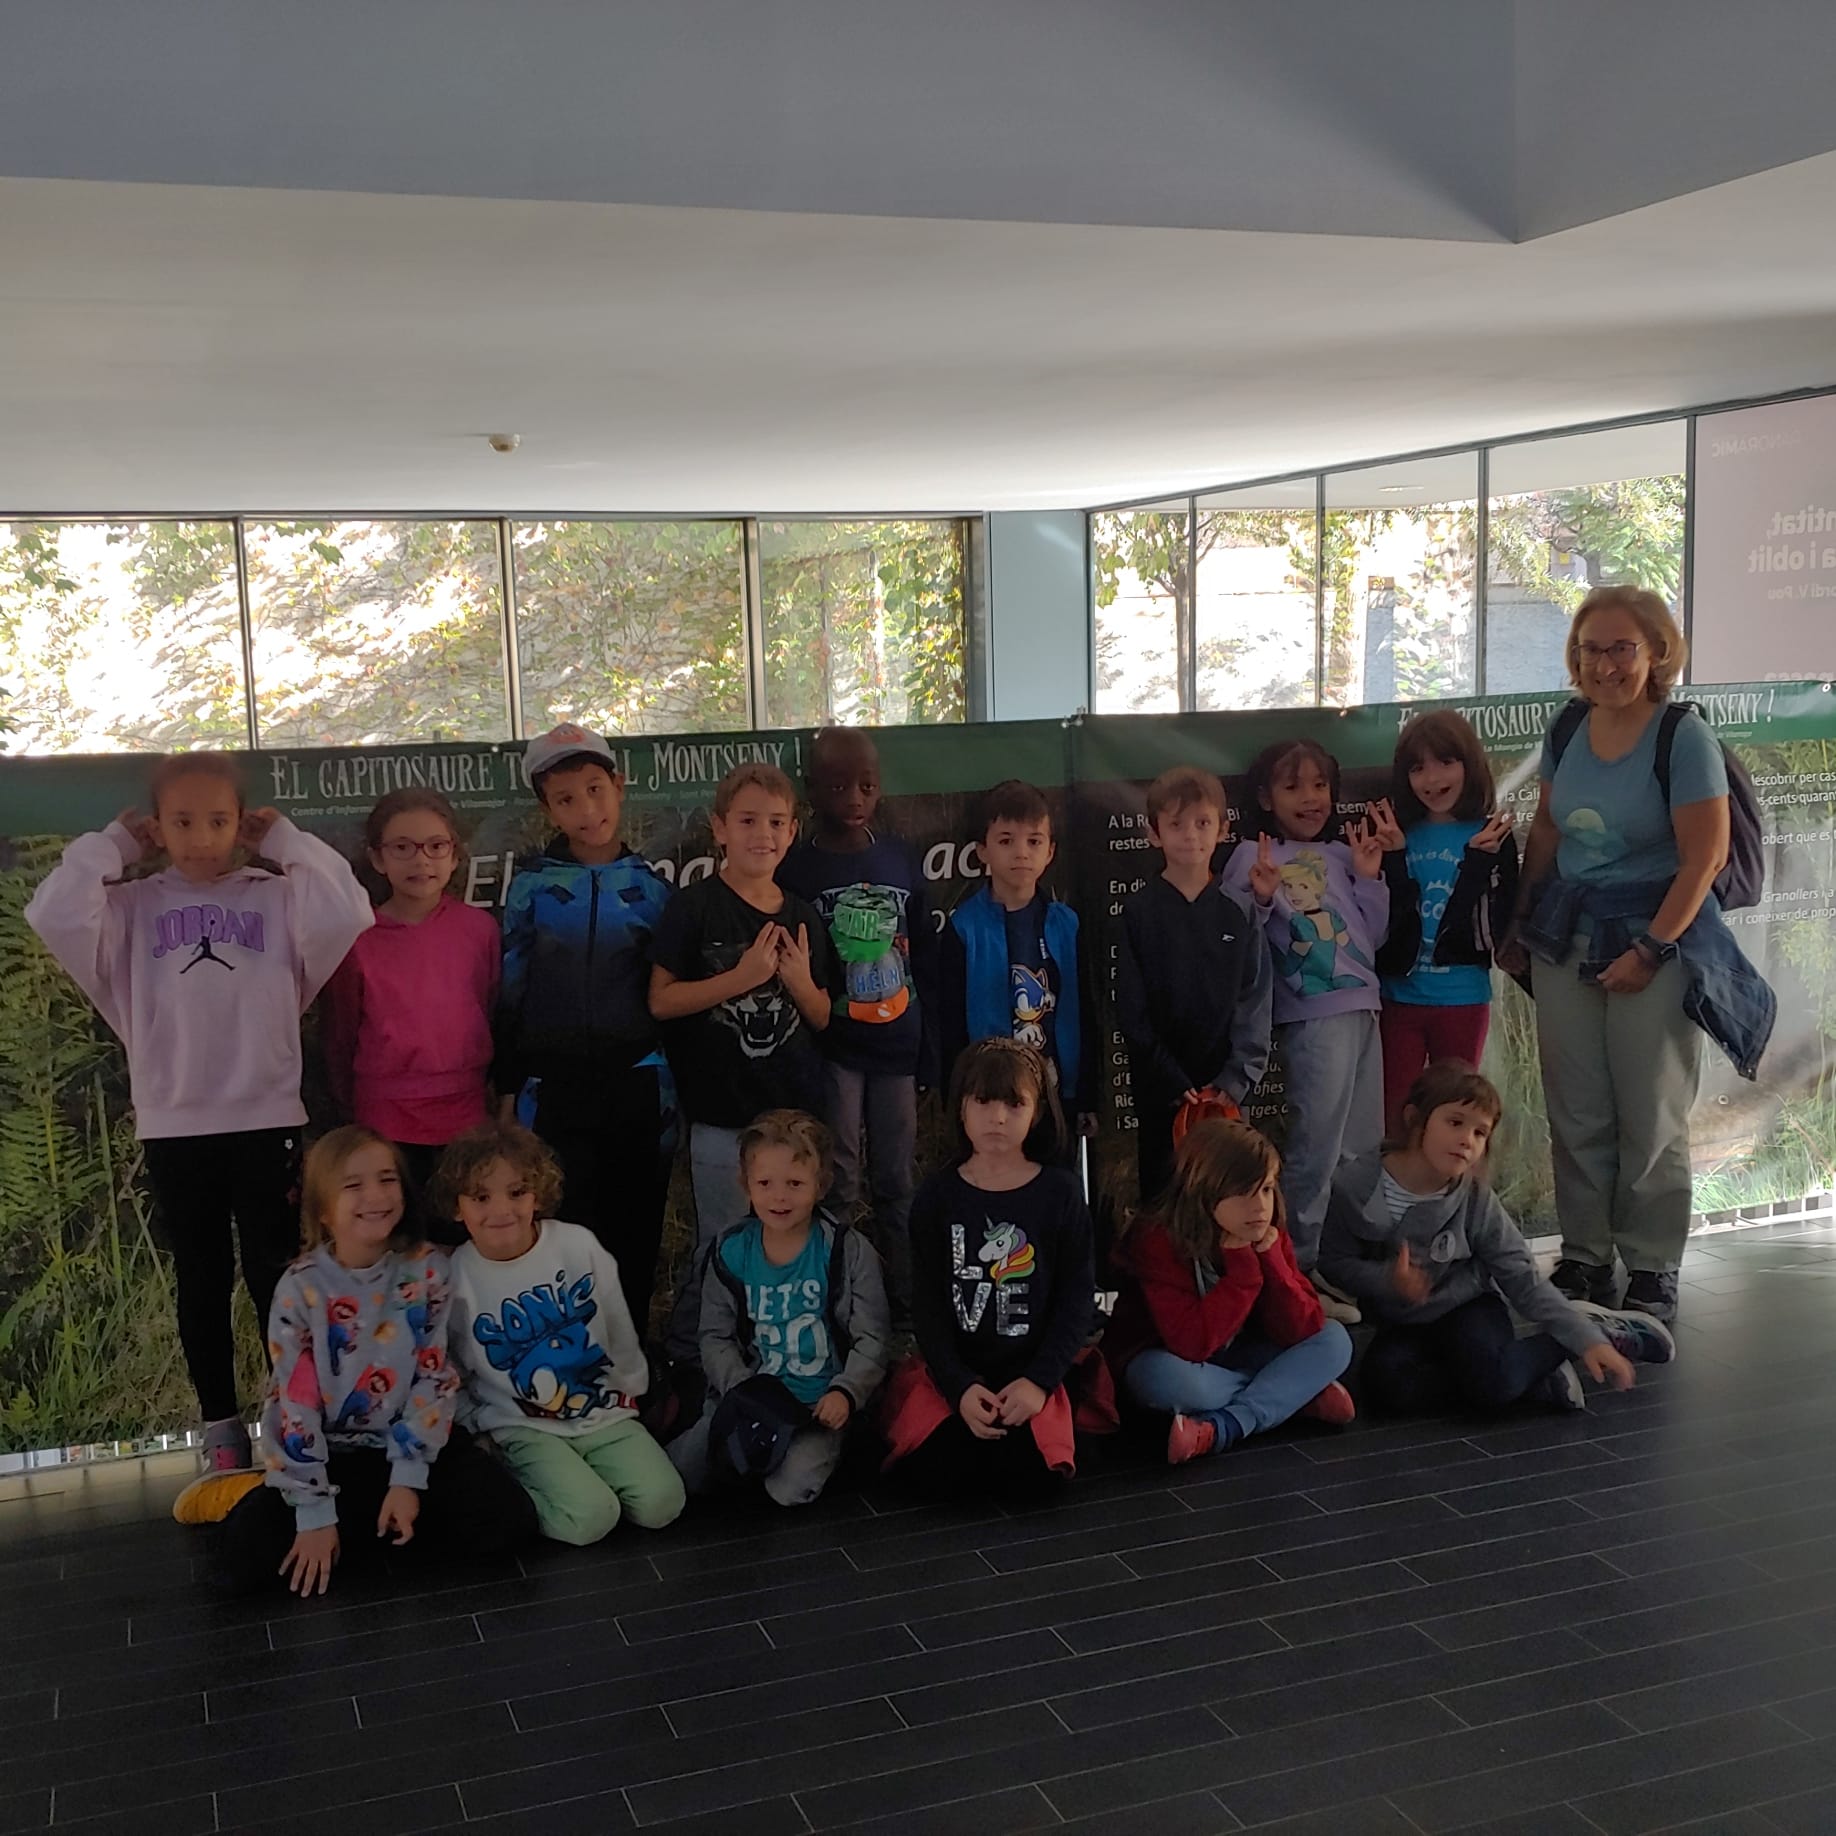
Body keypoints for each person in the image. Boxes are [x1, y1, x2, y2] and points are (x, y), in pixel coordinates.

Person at [24, 752, 372, 1478]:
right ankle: (220, 1428)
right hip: (176, 1125)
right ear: (157, 827)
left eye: (218, 820)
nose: (202, 837)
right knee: (202, 1278)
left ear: (241, 823)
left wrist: (285, 843)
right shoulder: (128, 909)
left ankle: (292, 1415)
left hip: (266, 1118)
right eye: (182, 822)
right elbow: (52, 911)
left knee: (276, 1276)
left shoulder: (278, 898)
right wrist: (112, 848)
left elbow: (347, 909)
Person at [1500, 587, 1759, 1324]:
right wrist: (1520, 917)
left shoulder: (1683, 737)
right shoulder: (1568, 725)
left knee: (1651, 1110)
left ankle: (1651, 1264)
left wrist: (1652, 948)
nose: (1605, 664)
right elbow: (1548, 829)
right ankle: (1584, 1254)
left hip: (1658, 939)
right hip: (1567, 934)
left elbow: (1704, 858)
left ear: (1656, 654)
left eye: (1622, 648)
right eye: (1591, 649)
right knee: (1575, 1107)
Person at [212, 1127, 536, 1594]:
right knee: (239, 1560)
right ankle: (357, 1530)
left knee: (509, 1518)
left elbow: (433, 1376)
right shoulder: (299, 1288)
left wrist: (407, 1480)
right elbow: (294, 1406)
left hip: (410, 1446)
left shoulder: (428, 1269)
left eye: (387, 1179)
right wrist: (314, 1512)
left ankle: (381, 1523)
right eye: (353, 1185)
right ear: (323, 1211)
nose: (375, 1196)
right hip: (333, 1457)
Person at [1318, 1063, 1675, 1417]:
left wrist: (1586, 1341)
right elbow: (1334, 1262)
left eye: (1480, 1133)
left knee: (1492, 1382)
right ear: (1416, 1120)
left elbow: (1523, 1278)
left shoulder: (1475, 1198)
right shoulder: (1354, 1186)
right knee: (1387, 1389)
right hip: (1403, 1320)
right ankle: (1533, 1376)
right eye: (1455, 1122)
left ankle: (1593, 1331)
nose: (1467, 1140)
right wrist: (1387, 1281)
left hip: (1467, 1307)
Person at [651, 762, 840, 1366]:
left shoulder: (803, 915)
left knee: (788, 1241)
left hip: (794, 1118)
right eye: (749, 820)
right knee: (722, 1243)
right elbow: (661, 1000)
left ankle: (775, 1353)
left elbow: (823, 1015)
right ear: (719, 829)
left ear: (793, 832)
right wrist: (743, 977)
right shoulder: (693, 909)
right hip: (722, 1116)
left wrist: (798, 982)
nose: (764, 834)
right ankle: (689, 1357)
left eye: (777, 822)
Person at [496, 723, 676, 1334]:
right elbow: (511, 993)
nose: (586, 809)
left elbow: (671, 994)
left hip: (638, 1086)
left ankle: (633, 1367)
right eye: (566, 799)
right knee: (562, 1234)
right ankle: (569, 1366)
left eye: (596, 790)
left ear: (619, 788)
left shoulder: (653, 890)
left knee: (635, 1235)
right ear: (548, 809)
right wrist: (509, 1089)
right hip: (555, 1092)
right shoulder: (531, 889)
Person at [437, 1121, 685, 1545]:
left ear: (538, 1193)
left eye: (516, 1192)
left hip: (600, 1410)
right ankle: (519, 1488)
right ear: (458, 1207)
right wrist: (472, 1421)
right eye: (481, 1197)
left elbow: (617, 1322)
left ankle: (580, 1478)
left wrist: (632, 1387)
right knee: (591, 1518)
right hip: (519, 1424)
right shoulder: (454, 1278)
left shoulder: (576, 1245)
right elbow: (447, 1366)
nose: (501, 1210)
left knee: (662, 1503)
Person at [882, 1040, 1096, 1502]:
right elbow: (928, 1305)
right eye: (983, 1101)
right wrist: (959, 1386)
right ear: (960, 1107)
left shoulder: (1060, 1194)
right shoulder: (937, 1197)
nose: (997, 1117)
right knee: (940, 1471)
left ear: (1037, 1112)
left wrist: (1039, 1382)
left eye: (1014, 1104)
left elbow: (1075, 1300)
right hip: (958, 1374)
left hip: (1031, 1370)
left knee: (1032, 1476)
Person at [1221, 739, 1390, 1322]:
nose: (1310, 798)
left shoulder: (1343, 853)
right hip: (1312, 1017)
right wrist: (1262, 897)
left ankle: (1340, 1262)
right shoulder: (1253, 854)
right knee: (1315, 1147)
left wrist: (1369, 878)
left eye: (1320, 785)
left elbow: (1373, 936)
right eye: (1293, 786)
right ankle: (1293, 1269)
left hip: (1365, 1007)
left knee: (1362, 1147)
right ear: (1266, 797)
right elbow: (1233, 934)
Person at [780, 727, 938, 1316]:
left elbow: (926, 955)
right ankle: (839, 1303)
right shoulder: (797, 870)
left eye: (866, 786)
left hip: (898, 1045)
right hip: (836, 1047)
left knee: (895, 1180)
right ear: (811, 789)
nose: (854, 798)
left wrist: (930, 1051)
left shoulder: (898, 857)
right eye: (838, 786)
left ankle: (907, 1304)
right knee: (840, 1180)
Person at [668, 1110, 891, 1507]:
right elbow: (715, 1335)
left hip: (816, 1408)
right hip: (751, 1398)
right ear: (746, 1185)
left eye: (795, 1183)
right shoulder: (731, 1250)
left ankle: (840, 1447)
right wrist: (739, 1386)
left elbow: (872, 1337)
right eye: (765, 1183)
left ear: (820, 1186)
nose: (780, 1197)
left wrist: (846, 1392)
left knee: (788, 1489)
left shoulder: (847, 1251)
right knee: (683, 1474)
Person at [1108, 1117, 1354, 1465]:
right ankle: (1290, 1396)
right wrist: (1242, 1274)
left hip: (1243, 1351)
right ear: (1204, 1192)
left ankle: (1225, 1426)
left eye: (1267, 1189)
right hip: (1175, 1359)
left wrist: (1272, 1261)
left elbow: (1303, 1328)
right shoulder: (1158, 1238)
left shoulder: (1265, 1229)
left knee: (1335, 1340)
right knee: (1161, 1381)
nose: (1260, 1206)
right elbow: (1191, 1344)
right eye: (1243, 1192)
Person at [321, 789, 500, 1232]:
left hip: (465, 1118)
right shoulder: (357, 938)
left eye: (436, 846)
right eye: (402, 847)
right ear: (377, 858)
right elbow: (341, 1033)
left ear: (455, 855)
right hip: (385, 1120)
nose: (421, 860)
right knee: (399, 1245)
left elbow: (492, 1008)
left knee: (460, 1242)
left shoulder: (479, 930)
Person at [1115, 764, 1272, 1206]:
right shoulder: (1138, 912)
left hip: (1225, 1091)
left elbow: (1255, 1000)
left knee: (1225, 1196)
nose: (1190, 835)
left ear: (1223, 829)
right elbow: (1131, 1009)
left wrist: (1234, 1080)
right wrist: (1169, 1078)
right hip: (1161, 1091)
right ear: (1154, 833)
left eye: (1203, 823)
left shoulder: (1239, 911)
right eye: (1177, 824)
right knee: (1164, 1199)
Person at [1375, 711, 1519, 1135]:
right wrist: (1394, 857)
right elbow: (1386, 918)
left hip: (1463, 999)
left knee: (1459, 1118)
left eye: (1445, 761)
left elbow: (1499, 923)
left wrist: (1479, 864)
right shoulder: (1397, 832)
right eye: (1417, 767)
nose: (1432, 778)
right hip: (1398, 1000)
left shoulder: (1493, 835)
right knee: (1398, 1118)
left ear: (1468, 764)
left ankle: (1460, 1184)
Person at [939, 780, 1101, 1151]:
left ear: (1050, 851)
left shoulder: (1068, 925)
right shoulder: (964, 928)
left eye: (1034, 841)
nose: (1021, 853)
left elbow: (1086, 1014)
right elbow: (949, 1024)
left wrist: (1088, 1095)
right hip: (989, 1098)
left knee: (1054, 1178)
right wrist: (957, 1096)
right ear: (983, 850)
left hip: (1057, 1096)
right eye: (1006, 840)